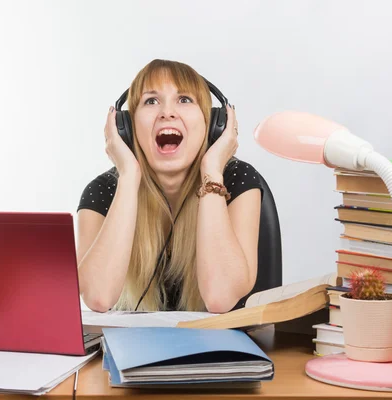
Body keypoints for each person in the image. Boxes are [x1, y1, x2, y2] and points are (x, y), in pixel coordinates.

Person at [76, 59, 263, 314]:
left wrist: (211, 171)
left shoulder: (236, 179)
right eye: (151, 101)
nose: (167, 112)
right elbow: (98, 297)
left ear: (214, 124)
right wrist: (129, 176)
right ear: (126, 127)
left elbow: (220, 297)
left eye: (184, 100)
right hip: (135, 350)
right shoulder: (104, 191)